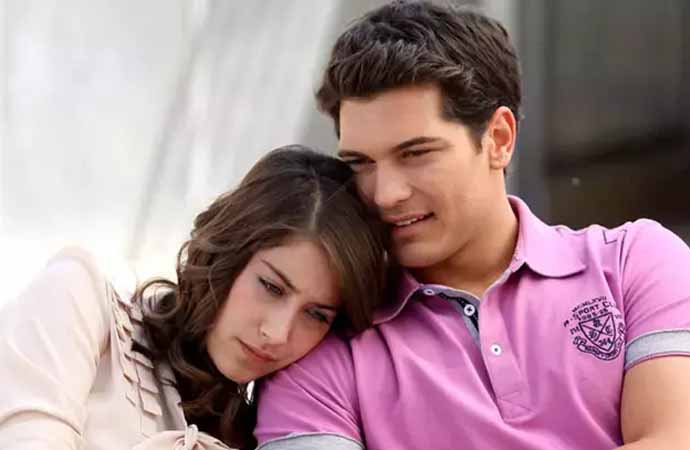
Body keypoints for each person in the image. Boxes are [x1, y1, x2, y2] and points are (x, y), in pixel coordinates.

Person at [253, 2, 690, 449]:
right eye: (361, 163)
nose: (385, 194)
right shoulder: (317, 342)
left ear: (499, 139)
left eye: (415, 154)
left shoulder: (635, 264)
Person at [0, 145, 388, 450]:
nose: (276, 333)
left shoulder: (269, 437)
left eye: (316, 314)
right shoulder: (81, 300)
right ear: (227, 253)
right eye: (271, 287)